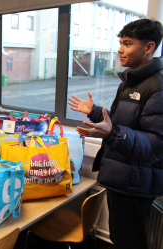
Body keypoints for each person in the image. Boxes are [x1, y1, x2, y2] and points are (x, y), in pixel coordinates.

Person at [68, 19, 163, 249]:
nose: (120, 49)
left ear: (149, 47)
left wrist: (113, 134)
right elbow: (120, 122)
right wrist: (95, 112)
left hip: (135, 183)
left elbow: (155, 145)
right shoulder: (131, 80)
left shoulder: (156, 87)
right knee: (120, 238)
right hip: (121, 176)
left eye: (127, 43)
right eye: (120, 43)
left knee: (129, 241)